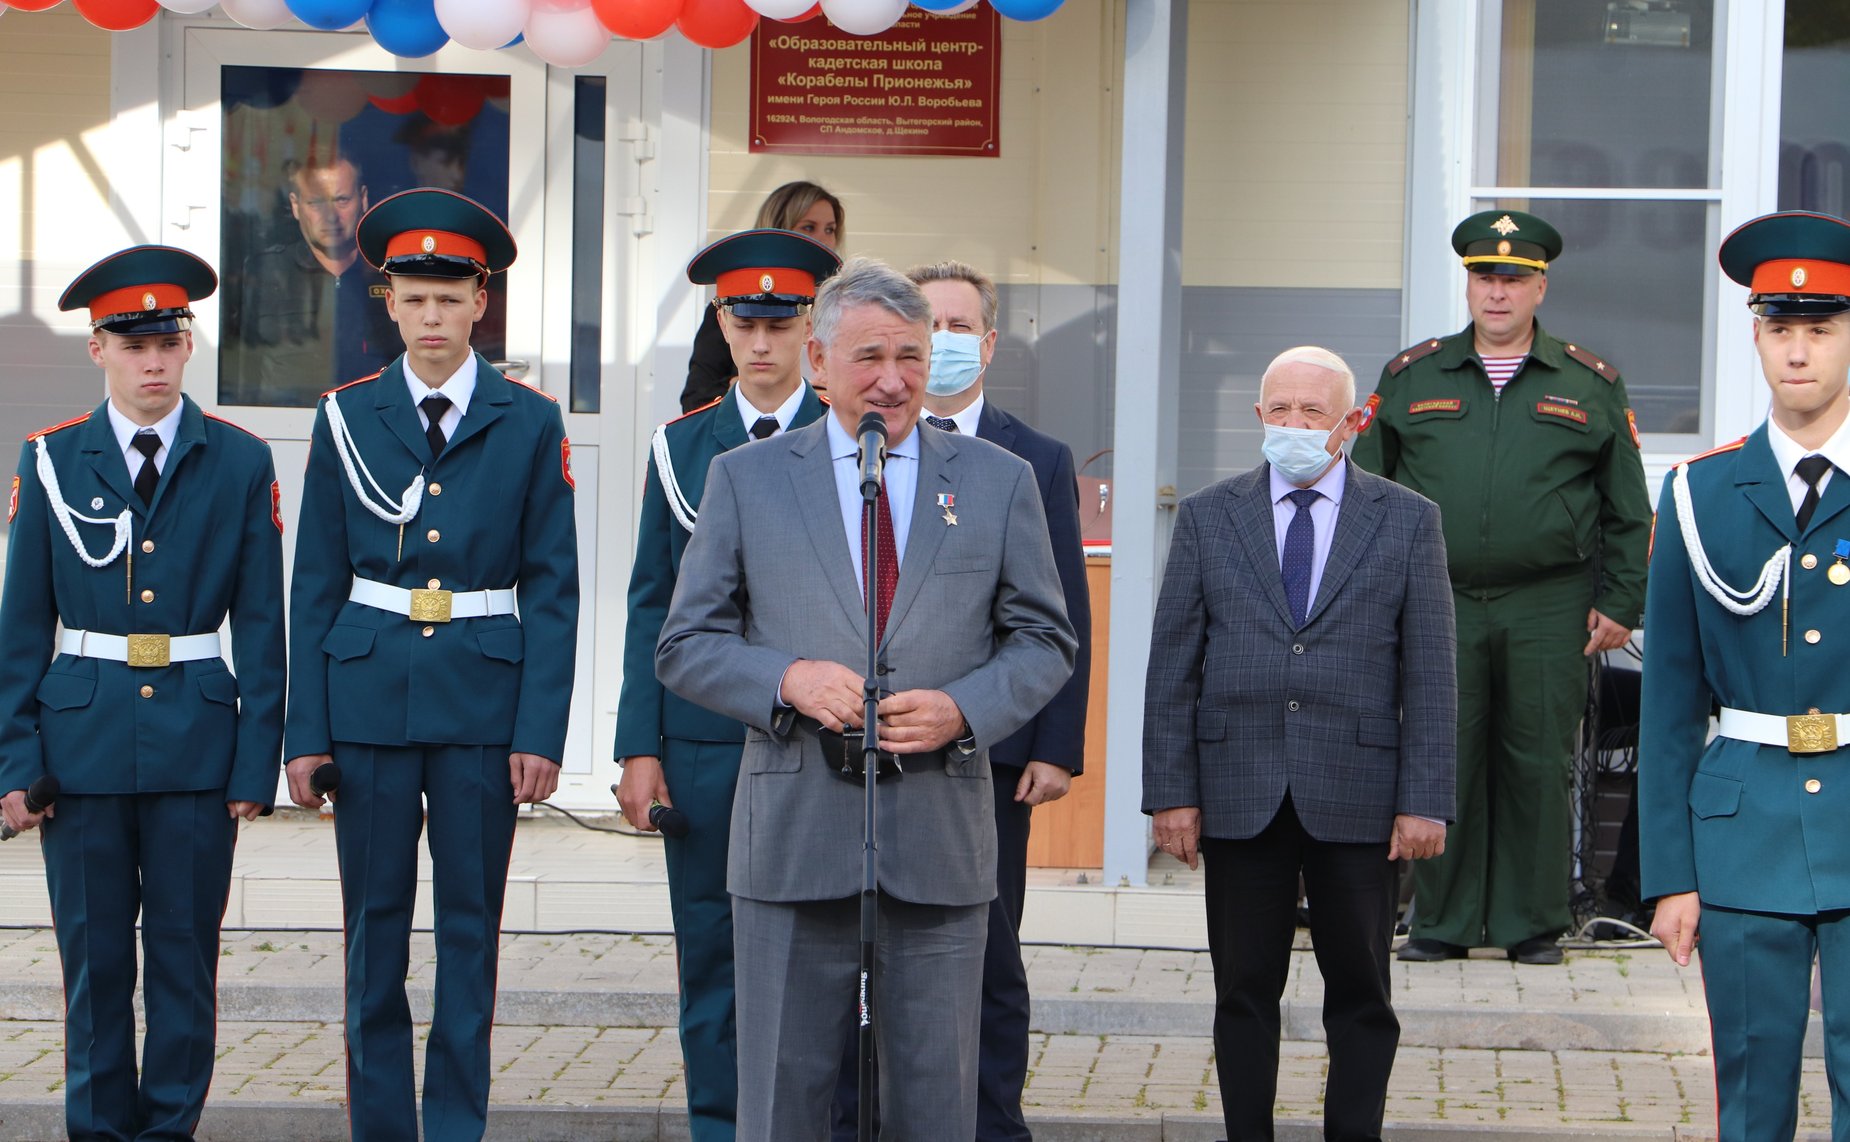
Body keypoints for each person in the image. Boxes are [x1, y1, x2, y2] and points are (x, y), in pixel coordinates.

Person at [655, 257, 1077, 1141]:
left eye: (911, 356)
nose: (893, 379)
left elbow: (1045, 640)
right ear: (817, 360)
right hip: (793, 839)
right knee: (781, 1107)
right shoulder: (745, 478)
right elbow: (686, 644)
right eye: (870, 357)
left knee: (937, 1107)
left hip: (937, 841)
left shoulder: (999, 480)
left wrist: (964, 708)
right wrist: (787, 681)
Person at [281, 188, 579, 1141]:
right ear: (390, 303)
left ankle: (454, 1126)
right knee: (373, 933)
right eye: (414, 298)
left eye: (451, 298)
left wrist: (540, 731)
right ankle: (381, 1126)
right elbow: (315, 583)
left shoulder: (528, 420)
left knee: (469, 930)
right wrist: (304, 733)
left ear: (481, 303)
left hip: (483, 707)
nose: (433, 317)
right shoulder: (346, 416)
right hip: (367, 701)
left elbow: (554, 588)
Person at [0, 246, 285, 1139]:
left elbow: (263, 625)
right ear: (98, 351)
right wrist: (16, 760)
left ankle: (168, 1130)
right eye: (133, 346)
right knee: (92, 965)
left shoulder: (239, 460)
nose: (153, 363)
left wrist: (256, 760)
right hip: (79, 748)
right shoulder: (52, 459)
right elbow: (21, 627)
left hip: (198, 743)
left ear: (189, 344)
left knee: (183, 962)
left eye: (167, 343)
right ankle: (97, 1129)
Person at [1143, 346, 1455, 1142]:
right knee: (1243, 992)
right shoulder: (1209, 516)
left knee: (1363, 994)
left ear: (1352, 423)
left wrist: (1425, 799)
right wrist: (1171, 793)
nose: (1294, 425)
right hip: (1239, 788)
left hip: (1360, 792)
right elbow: (1173, 664)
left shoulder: (1409, 519)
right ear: (1258, 416)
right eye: (1279, 409)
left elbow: (1430, 671)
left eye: (1313, 412)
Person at [1352, 209, 1652, 965]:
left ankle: (1531, 923)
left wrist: (1622, 601)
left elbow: (1627, 507)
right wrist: (1373, 599)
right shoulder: (1412, 376)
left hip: (1549, 601)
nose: (1497, 292)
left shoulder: (1589, 382)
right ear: (1468, 284)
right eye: (1485, 277)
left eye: (1514, 280)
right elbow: (1365, 497)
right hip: (1438, 597)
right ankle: (1442, 921)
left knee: (1538, 760)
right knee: (1442, 752)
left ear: (1540, 288)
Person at [613, 227, 841, 1141]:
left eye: (780, 325)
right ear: (721, 322)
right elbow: (650, 604)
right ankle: (719, 1127)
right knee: (710, 957)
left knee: (822, 959)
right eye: (745, 323)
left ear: (809, 327)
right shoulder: (682, 447)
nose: (761, 343)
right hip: (704, 738)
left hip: (820, 739)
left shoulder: (847, 437)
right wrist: (638, 746)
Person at [1641, 209, 1850, 1141]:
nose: (1797, 351)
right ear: (1757, 337)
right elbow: (1669, 701)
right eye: (1779, 329)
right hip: (1741, 836)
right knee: (1753, 1096)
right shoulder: (1700, 491)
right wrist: (1670, 877)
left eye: (1822, 329)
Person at [227, 153, 398, 405]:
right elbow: (241, 371)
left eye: (341, 200)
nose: (330, 216)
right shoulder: (265, 272)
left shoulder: (390, 274)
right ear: (295, 206)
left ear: (363, 199)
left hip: (375, 420)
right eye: (316, 202)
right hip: (280, 421)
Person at [680, 180, 845, 412]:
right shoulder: (731, 304)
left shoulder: (843, 309)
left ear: (807, 324)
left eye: (830, 229)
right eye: (808, 227)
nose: (823, 239)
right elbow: (697, 396)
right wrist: (743, 391)